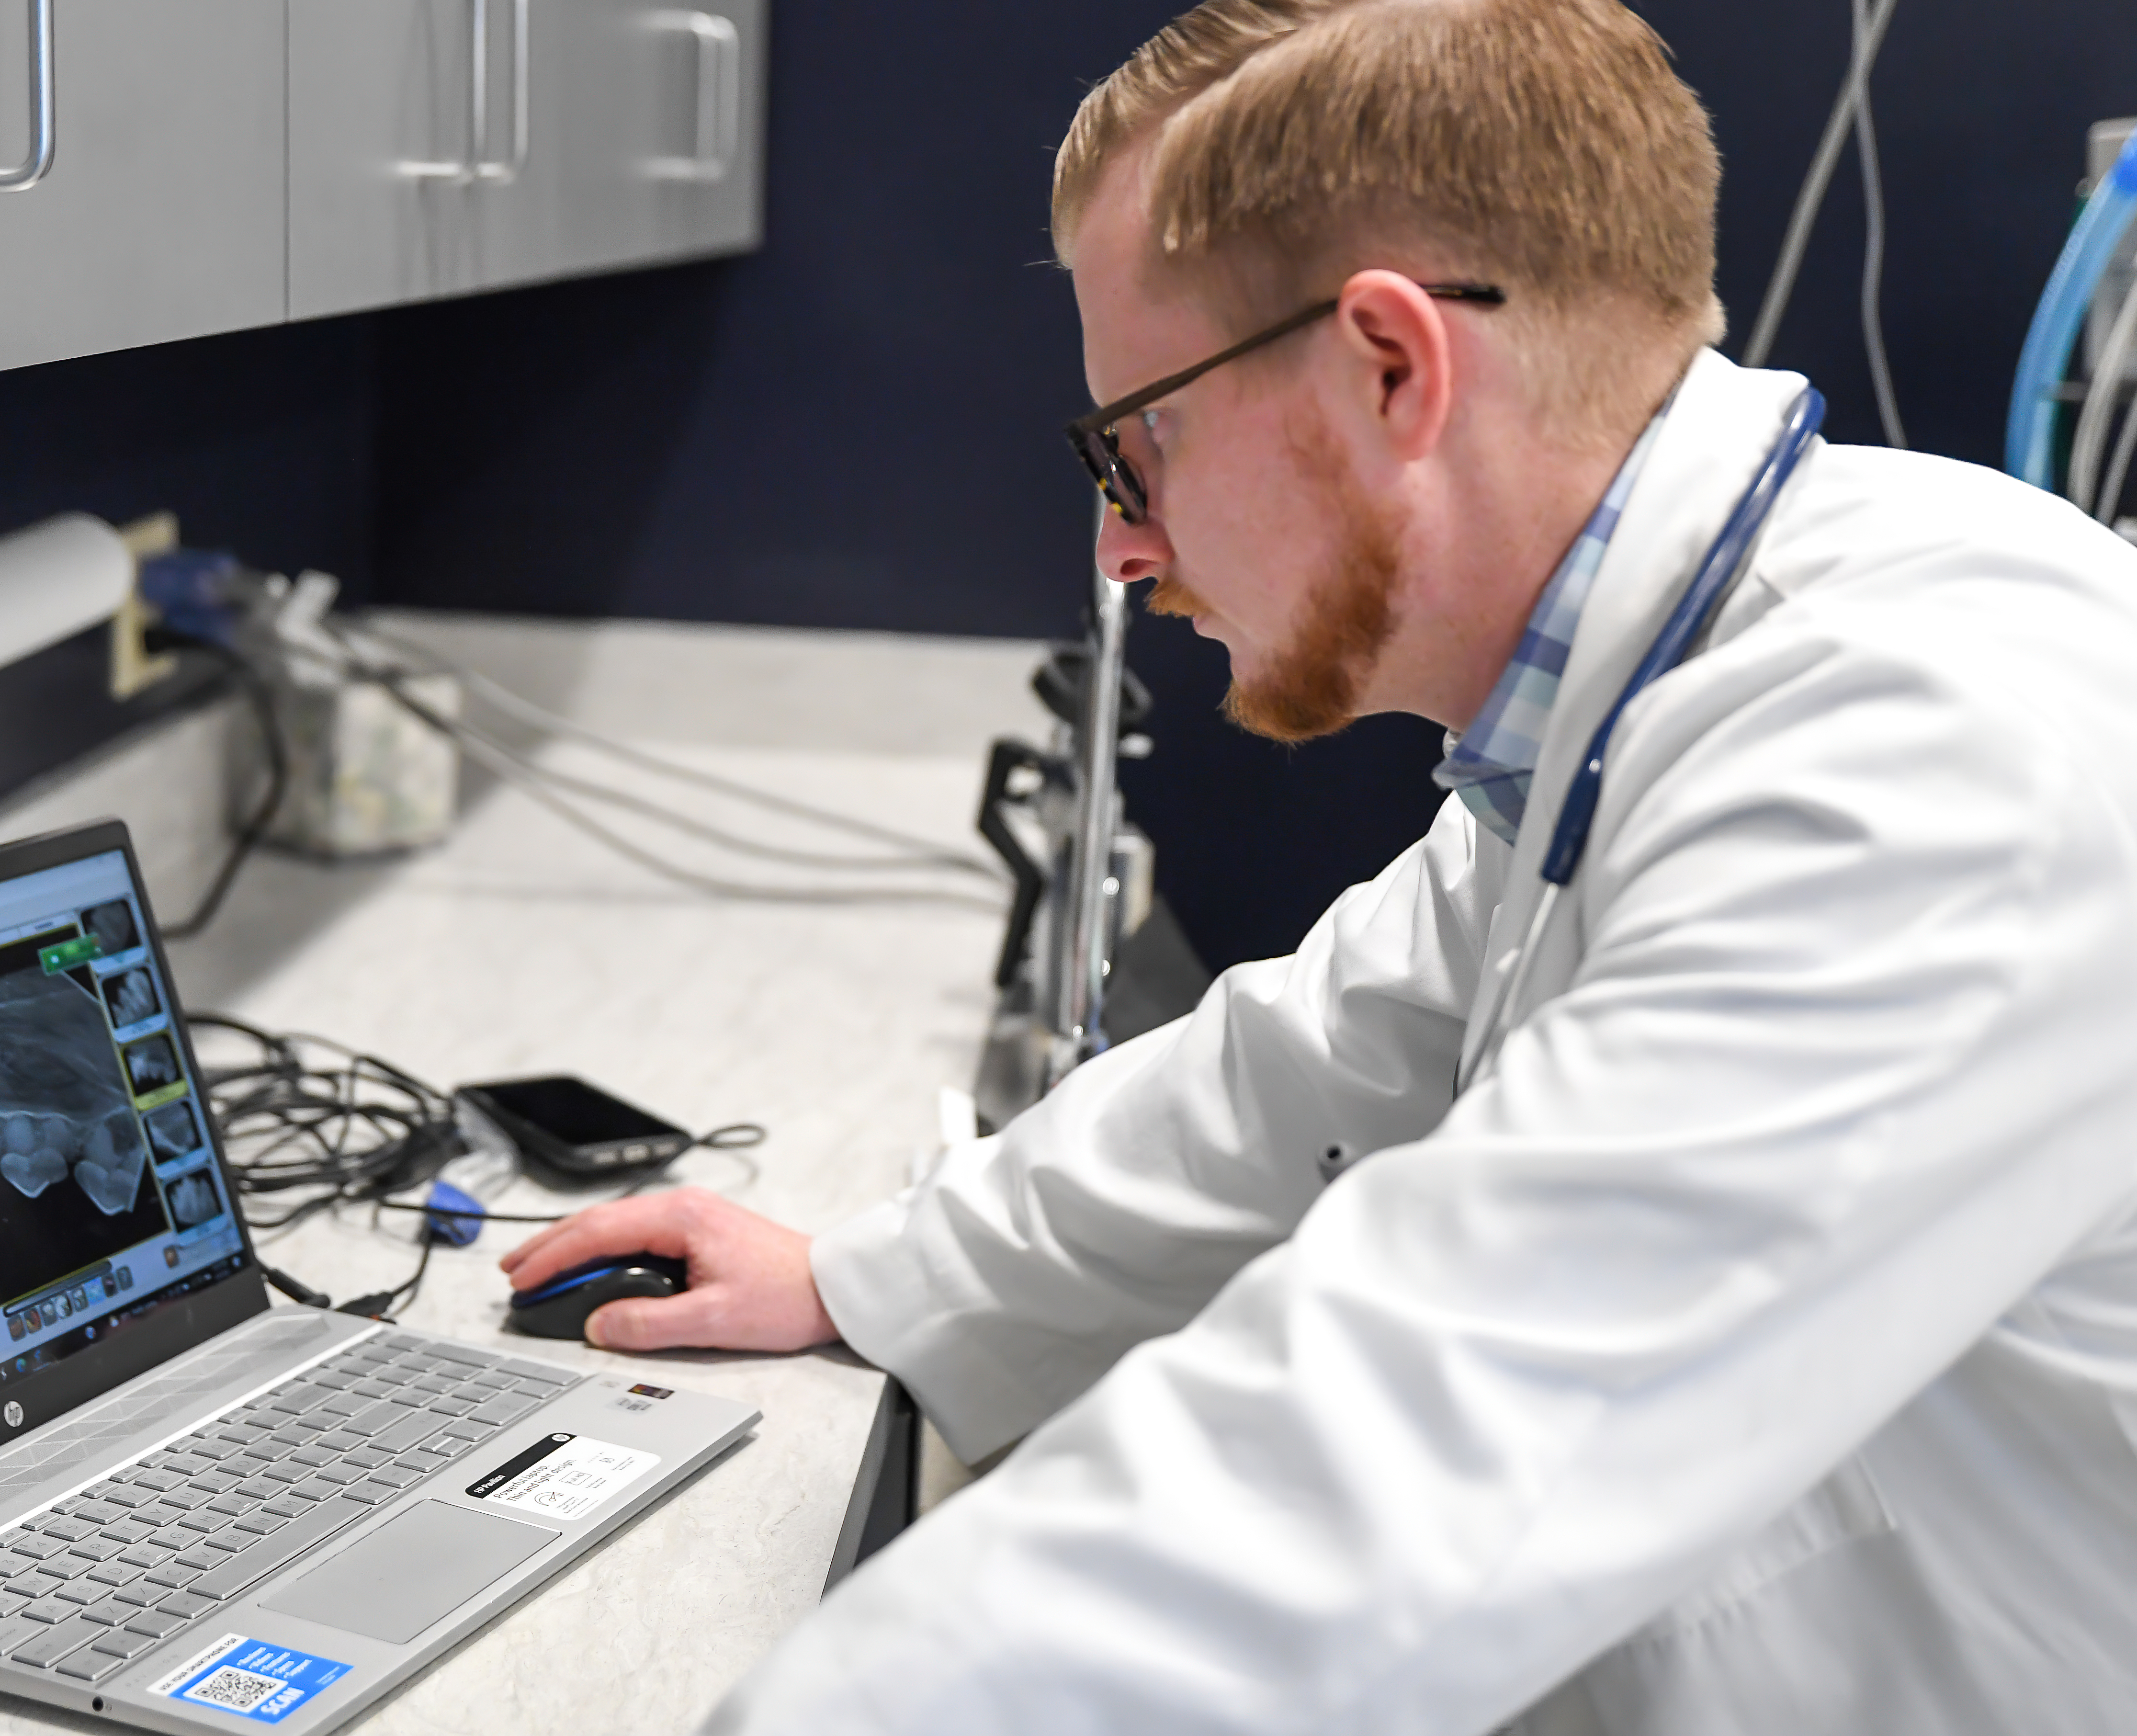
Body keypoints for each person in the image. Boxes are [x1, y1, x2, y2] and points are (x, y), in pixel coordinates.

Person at [503, 2, 2137, 1729]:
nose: (1128, 546)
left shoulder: (1928, 751)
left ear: (1389, 367)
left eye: (1135, 445)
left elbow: (1402, 1443)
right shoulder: (1645, 687)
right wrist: (865, 1272)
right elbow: (1311, 1066)